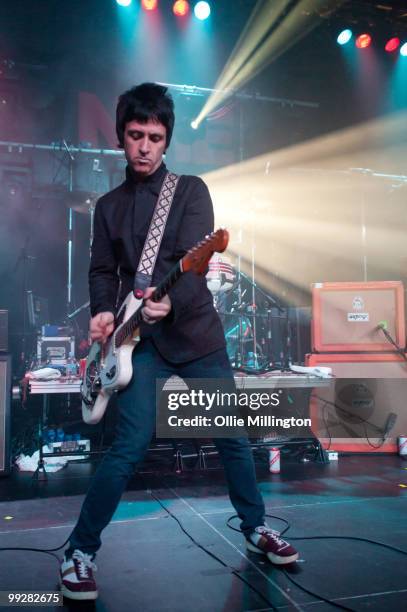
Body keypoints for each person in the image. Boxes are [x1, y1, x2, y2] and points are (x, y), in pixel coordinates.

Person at [60, 83, 298, 601]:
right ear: (121, 138)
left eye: (155, 137)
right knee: (129, 445)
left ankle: (255, 528)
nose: (145, 146)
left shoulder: (190, 192)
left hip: (194, 332)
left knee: (233, 436)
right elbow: (102, 270)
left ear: (167, 141)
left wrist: (172, 299)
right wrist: (104, 311)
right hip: (136, 342)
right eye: (135, 135)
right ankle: (79, 552)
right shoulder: (108, 206)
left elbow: (194, 265)